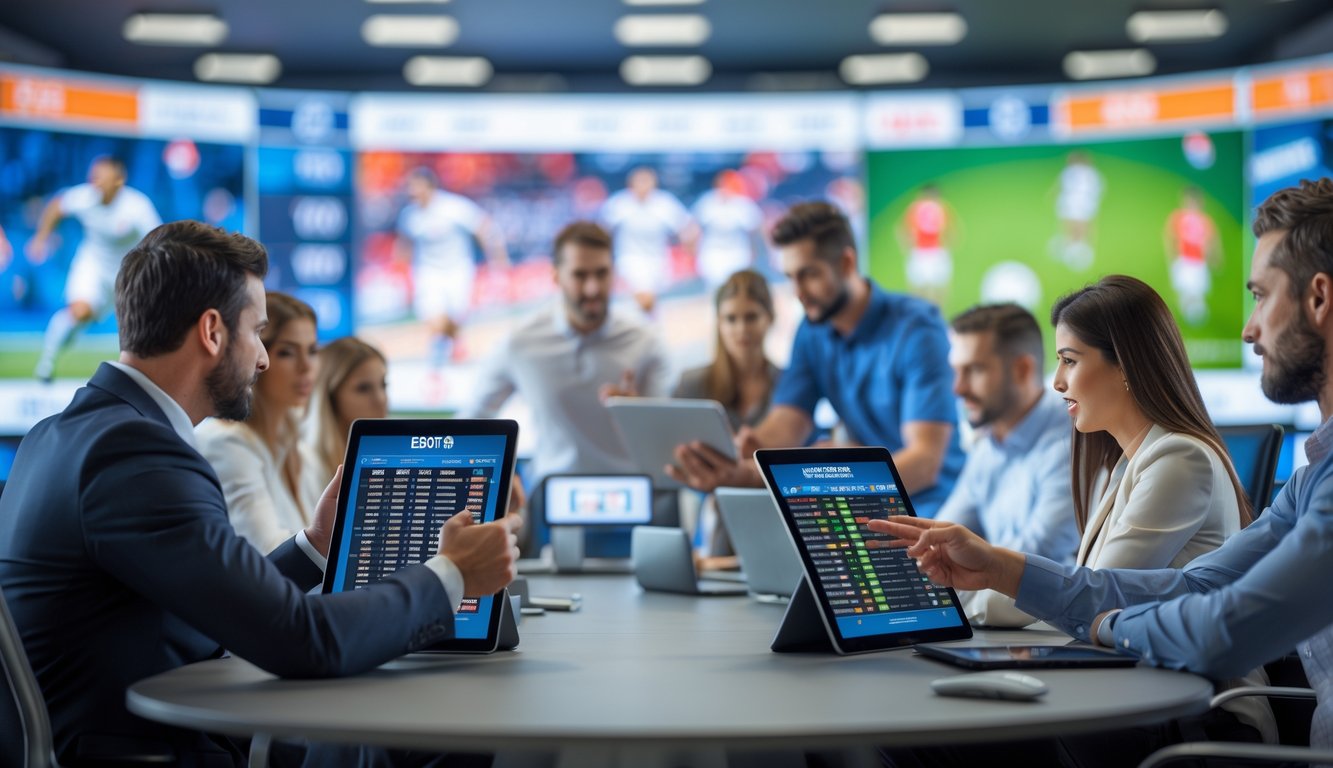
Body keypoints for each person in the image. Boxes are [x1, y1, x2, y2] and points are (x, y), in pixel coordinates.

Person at [0, 219, 521, 767]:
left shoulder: (62, 434)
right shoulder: (136, 454)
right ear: (211, 331)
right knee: (449, 743)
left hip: (135, 735)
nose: (265, 359)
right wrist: (452, 574)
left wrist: (317, 544)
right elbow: (305, 642)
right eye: (258, 333)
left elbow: (217, 597)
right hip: (157, 751)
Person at [871, 178, 1333, 765]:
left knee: (924, 735)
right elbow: (1192, 587)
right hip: (1150, 689)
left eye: (1261, 296)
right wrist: (1001, 568)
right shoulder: (1310, 477)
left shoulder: (1183, 459)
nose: (1249, 328)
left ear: (1318, 299)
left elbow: (1221, 626)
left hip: (1194, 721)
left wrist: (1106, 624)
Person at [670, 201, 964, 518]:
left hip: (937, 514)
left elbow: (925, 463)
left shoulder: (917, 329)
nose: (797, 291)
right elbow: (788, 422)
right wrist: (748, 448)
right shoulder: (812, 331)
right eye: (790, 276)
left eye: (809, 275)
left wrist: (839, 472)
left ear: (847, 263)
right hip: (869, 509)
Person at [462, 220, 672, 548]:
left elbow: (667, 444)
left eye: (601, 274)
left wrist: (638, 416)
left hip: (633, 506)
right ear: (556, 276)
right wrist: (497, 479)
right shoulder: (521, 343)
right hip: (552, 507)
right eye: (580, 275)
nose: (592, 288)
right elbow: (470, 424)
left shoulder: (646, 342)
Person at [934, 303, 1075, 627]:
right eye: (955, 371)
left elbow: (1033, 566)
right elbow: (938, 537)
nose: (958, 388)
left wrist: (933, 598)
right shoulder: (990, 444)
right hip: (1001, 629)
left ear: (1022, 370)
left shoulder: (1069, 444)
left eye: (974, 370)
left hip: (1048, 633)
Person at [196, 292, 326, 554]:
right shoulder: (226, 444)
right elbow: (269, 555)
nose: (306, 367)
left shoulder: (293, 440)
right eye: (287, 353)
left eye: (312, 351)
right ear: (257, 355)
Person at [673, 269, 782, 566]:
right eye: (730, 319)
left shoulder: (790, 387)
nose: (741, 329)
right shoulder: (693, 384)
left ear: (769, 318)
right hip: (716, 519)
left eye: (751, 317)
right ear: (718, 324)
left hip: (776, 520)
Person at [27, 156, 162, 382]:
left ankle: (141, 381)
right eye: (94, 176)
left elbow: (159, 239)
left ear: (119, 180)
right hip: (92, 265)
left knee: (140, 328)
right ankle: (46, 364)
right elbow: (56, 206)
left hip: (126, 275)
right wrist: (41, 238)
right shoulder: (85, 197)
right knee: (79, 312)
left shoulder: (137, 207)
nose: (96, 181)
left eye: (102, 177)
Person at [396, 166, 509, 376]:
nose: (411, 191)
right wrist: (401, 272)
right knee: (433, 316)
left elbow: (484, 227)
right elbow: (405, 244)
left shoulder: (453, 208)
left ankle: (452, 343)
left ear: (430, 187)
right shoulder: (409, 215)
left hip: (457, 269)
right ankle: (439, 356)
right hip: (428, 271)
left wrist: (497, 260)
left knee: (454, 317)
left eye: (415, 186)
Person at [600, 166, 696, 315]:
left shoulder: (664, 203)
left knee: (653, 306)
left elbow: (686, 226)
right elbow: (603, 229)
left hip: (657, 261)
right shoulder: (620, 203)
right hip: (630, 259)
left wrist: (689, 251)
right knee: (642, 299)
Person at [308, 336, 390, 480]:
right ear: (330, 396)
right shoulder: (308, 466)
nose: (381, 399)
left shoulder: (392, 456)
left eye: (383, 385)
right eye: (363, 388)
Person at [690, 170, 764, 292]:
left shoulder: (742, 204)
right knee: (716, 289)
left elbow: (755, 227)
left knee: (739, 288)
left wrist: (753, 249)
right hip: (713, 253)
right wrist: (693, 249)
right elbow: (694, 226)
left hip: (737, 253)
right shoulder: (707, 202)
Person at [1165, 186, 1221, 325]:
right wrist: (1172, 256)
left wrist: (1214, 256)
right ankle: (1186, 313)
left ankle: (1195, 314)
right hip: (1184, 259)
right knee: (1185, 288)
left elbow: (1211, 240)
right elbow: (1171, 237)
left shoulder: (1204, 220)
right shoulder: (1179, 217)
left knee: (1198, 289)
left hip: (1199, 261)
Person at [899, 184, 952, 306]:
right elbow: (950, 233)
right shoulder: (941, 208)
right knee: (938, 289)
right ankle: (936, 315)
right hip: (934, 251)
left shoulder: (915, 208)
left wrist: (907, 245)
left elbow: (904, 231)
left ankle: (922, 315)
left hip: (922, 251)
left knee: (919, 288)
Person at [1053, 151, 1103, 271]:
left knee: (1074, 226)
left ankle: (1077, 251)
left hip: (1073, 201)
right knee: (1081, 226)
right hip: (1084, 202)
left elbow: (1061, 186)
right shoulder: (1092, 173)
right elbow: (1098, 189)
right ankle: (1077, 250)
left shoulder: (1071, 172)